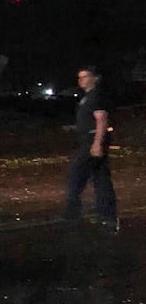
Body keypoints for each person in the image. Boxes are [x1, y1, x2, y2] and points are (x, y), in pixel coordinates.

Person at [63, 65, 118, 232]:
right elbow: (90, 120)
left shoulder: (96, 96)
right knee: (101, 178)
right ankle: (107, 217)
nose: (81, 80)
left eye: (85, 76)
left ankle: (72, 214)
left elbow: (101, 121)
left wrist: (96, 143)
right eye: (79, 77)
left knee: (75, 175)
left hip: (91, 143)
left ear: (95, 78)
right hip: (89, 140)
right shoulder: (86, 97)